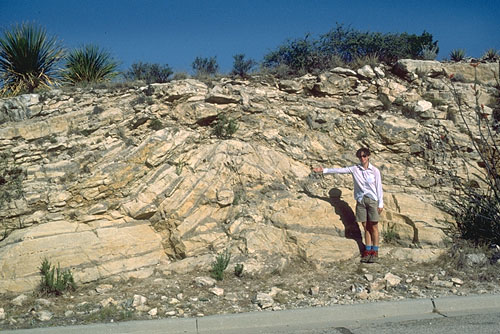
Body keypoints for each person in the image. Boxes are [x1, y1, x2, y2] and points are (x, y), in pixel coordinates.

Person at [313, 148, 383, 263]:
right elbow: (340, 170)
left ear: (369, 156)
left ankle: (375, 252)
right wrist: (323, 170)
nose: (362, 158)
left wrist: (380, 203)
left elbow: (379, 187)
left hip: (372, 200)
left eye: (364, 156)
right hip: (361, 201)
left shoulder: (374, 171)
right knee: (365, 226)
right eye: (360, 156)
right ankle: (367, 251)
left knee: (374, 226)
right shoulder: (355, 169)